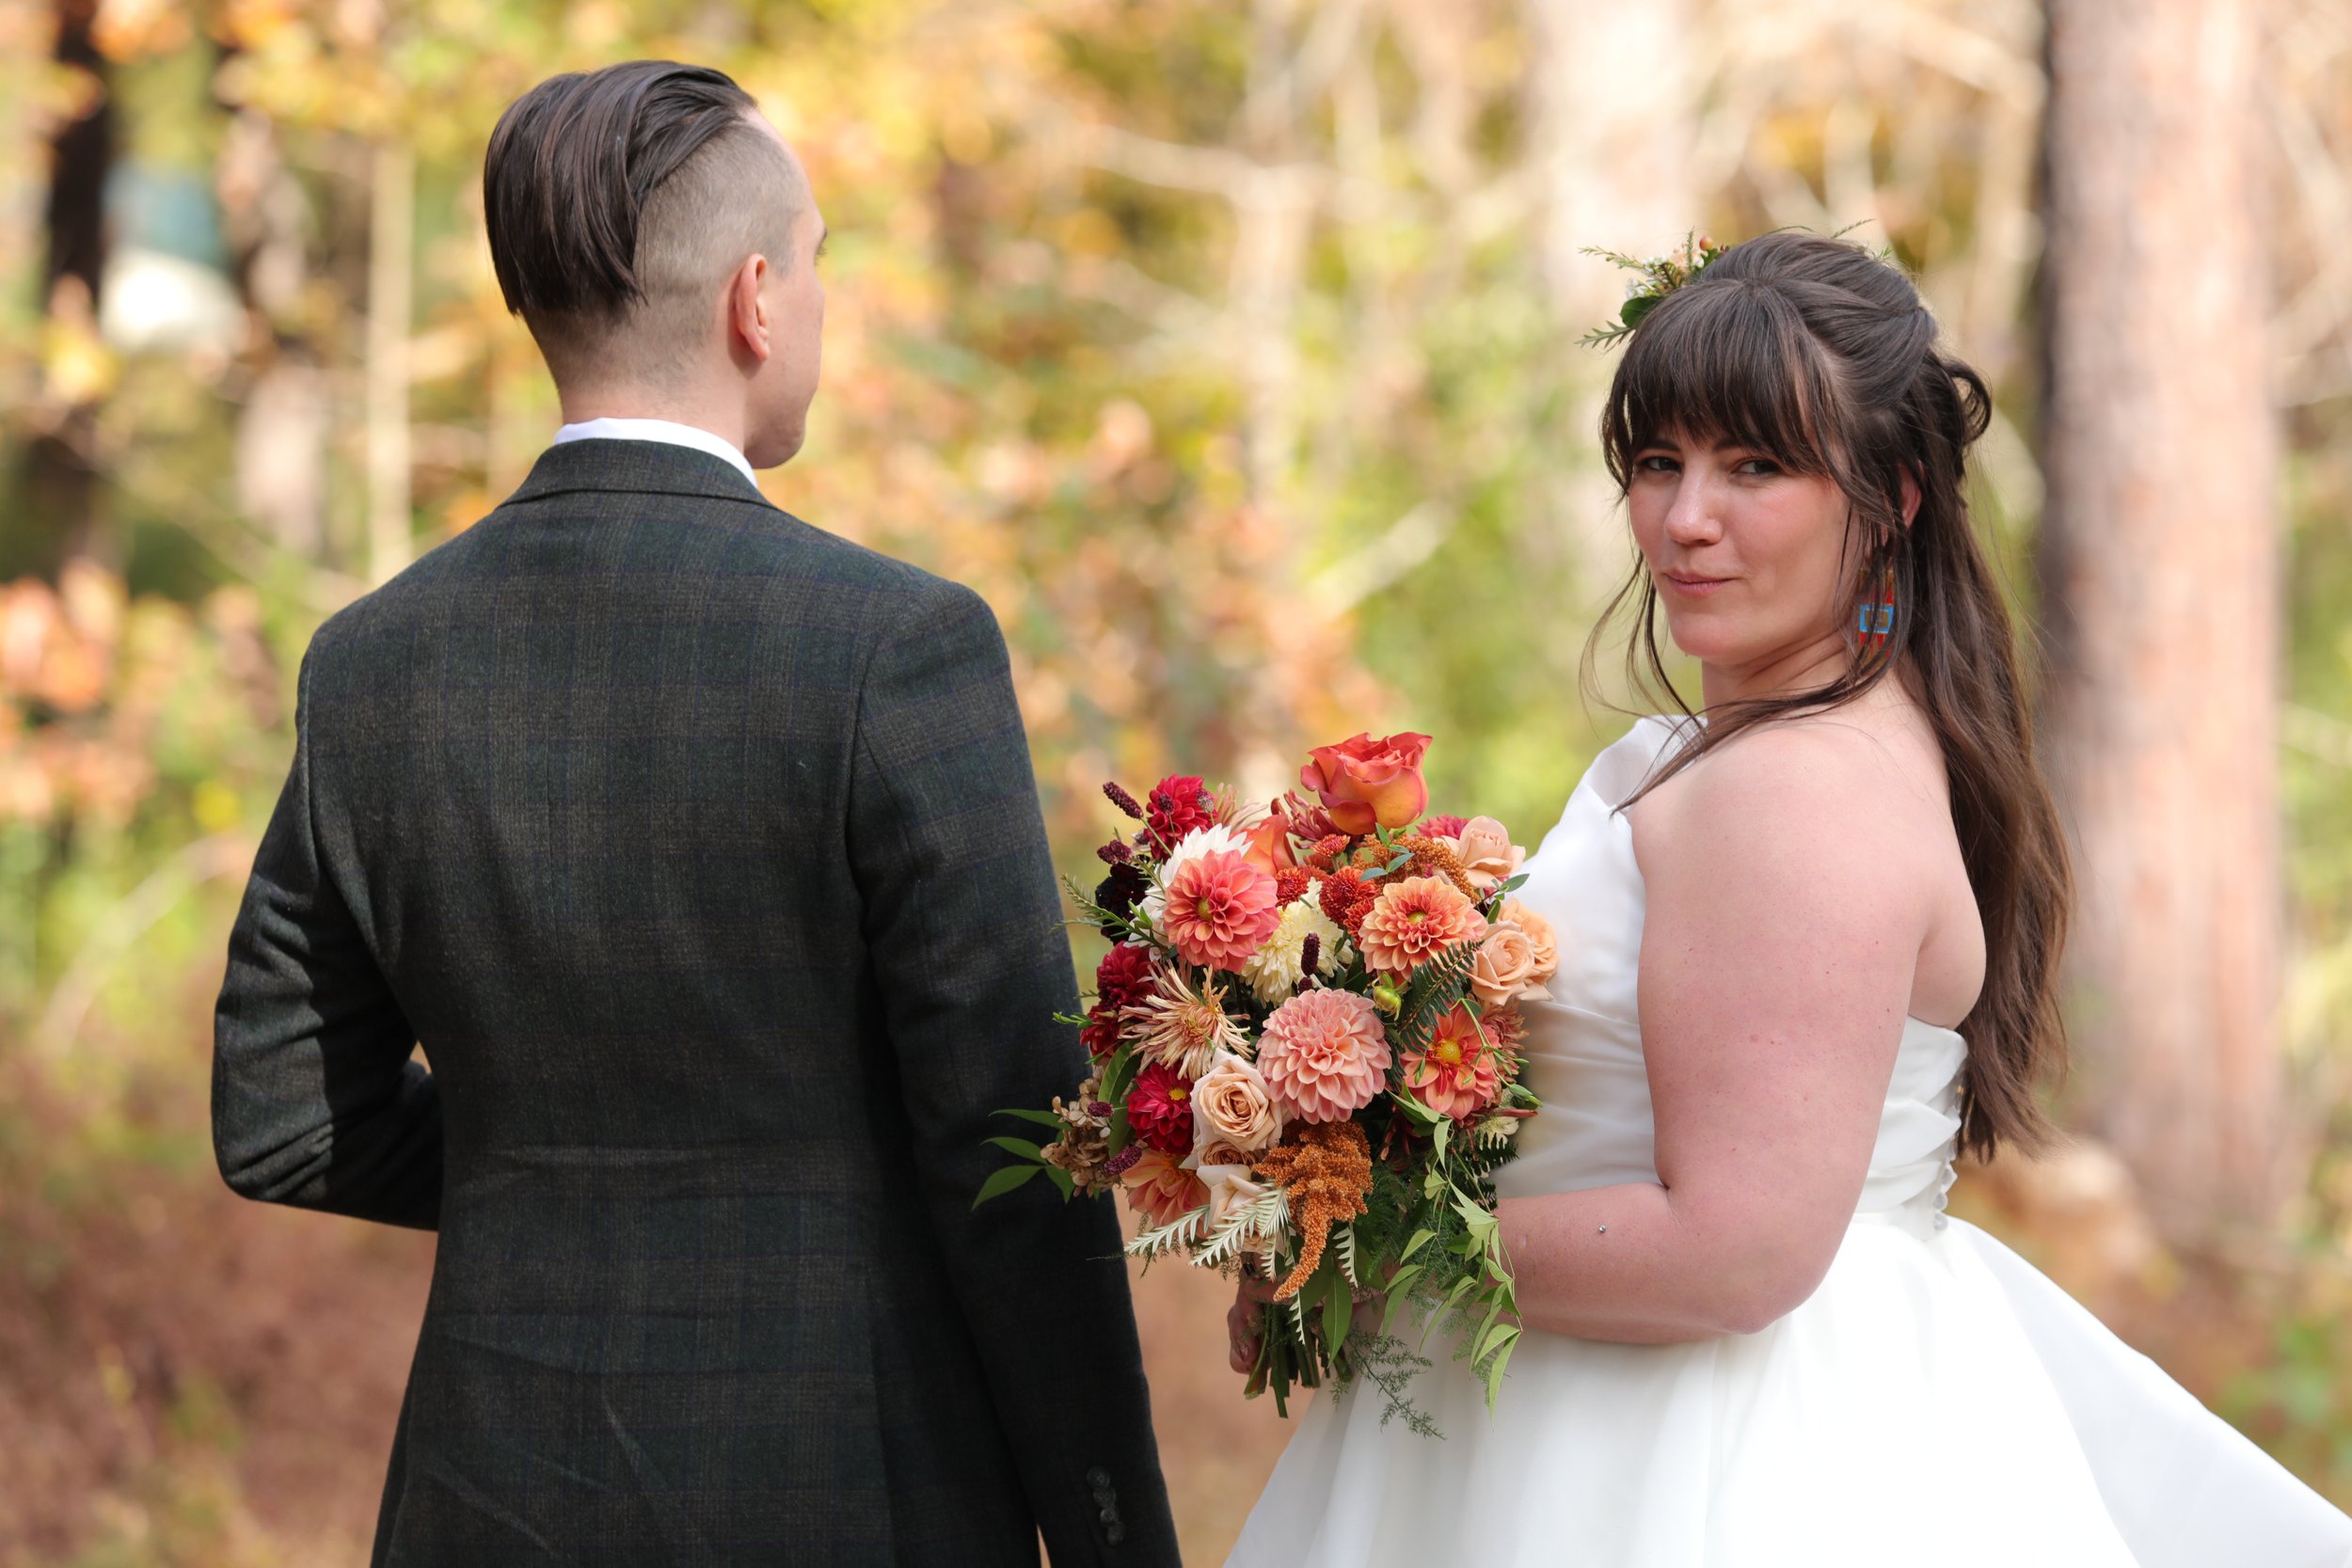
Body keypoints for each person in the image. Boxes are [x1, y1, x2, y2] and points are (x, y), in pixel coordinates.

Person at [1224, 231, 2352, 1565]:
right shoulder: (1780, 752)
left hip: (1701, 1448)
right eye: (1659, 462)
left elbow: (1734, 1253)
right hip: (1599, 1400)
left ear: (1894, 495)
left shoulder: (1795, 793)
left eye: (1756, 466)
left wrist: (1357, 1239)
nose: (1687, 518)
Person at [211, 60, 1178, 1567]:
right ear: (754, 302)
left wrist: (555, 1168)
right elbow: (1011, 1150)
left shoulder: (370, 665)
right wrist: (1116, 1536)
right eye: (817, 262)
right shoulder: (895, 645)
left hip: (486, 1494)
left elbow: (278, 1119)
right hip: (852, 1487)